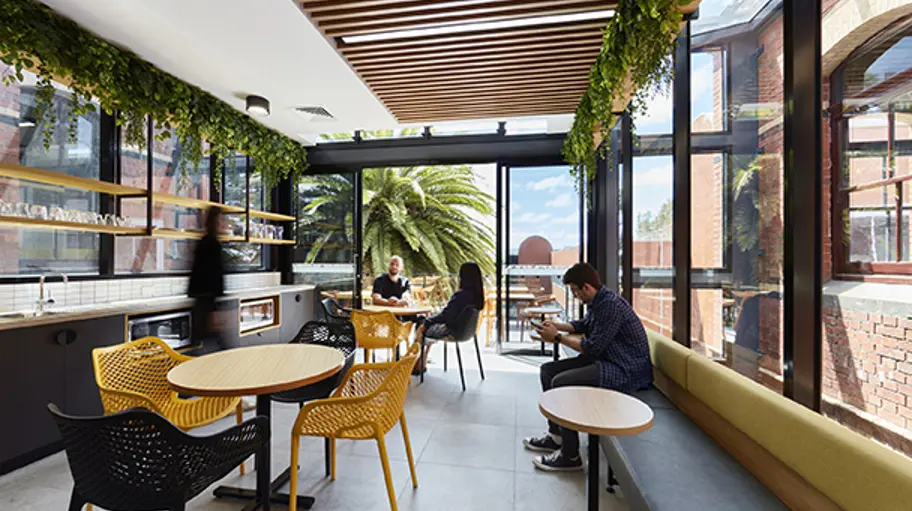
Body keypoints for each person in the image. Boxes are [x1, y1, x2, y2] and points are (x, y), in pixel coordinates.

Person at [523, 262, 652, 471]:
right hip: (608, 359)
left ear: (587, 287)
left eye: (575, 291)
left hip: (624, 369)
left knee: (560, 382)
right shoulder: (599, 302)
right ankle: (556, 436)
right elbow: (584, 325)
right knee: (548, 371)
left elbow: (593, 348)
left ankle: (570, 455)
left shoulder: (610, 305)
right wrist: (557, 326)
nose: (574, 296)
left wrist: (557, 337)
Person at [413, 262, 485, 373]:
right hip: (466, 332)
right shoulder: (477, 296)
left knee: (422, 323)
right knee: (427, 323)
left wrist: (428, 320)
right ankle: (422, 362)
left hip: (452, 331)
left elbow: (445, 316)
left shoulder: (461, 295)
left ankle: (417, 364)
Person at [188, 205, 228, 355]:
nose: (223, 223)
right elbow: (213, 276)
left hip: (203, 301)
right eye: (221, 220)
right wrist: (215, 310)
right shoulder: (212, 244)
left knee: (202, 345)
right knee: (219, 346)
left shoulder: (205, 243)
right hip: (207, 302)